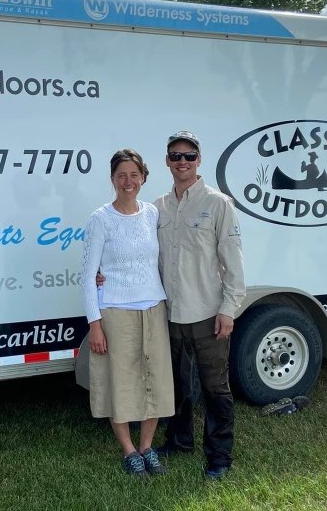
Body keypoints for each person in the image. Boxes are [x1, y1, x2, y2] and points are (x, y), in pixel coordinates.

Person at [154, 130, 246, 480]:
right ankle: (178, 441)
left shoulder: (218, 203)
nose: (182, 162)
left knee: (214, 387)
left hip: (208, 312)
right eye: (175, 155)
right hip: (171, 313)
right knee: (176, 384)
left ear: (199, 160)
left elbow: (233, 261)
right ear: (167, 161)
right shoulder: (158, 207)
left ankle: (219, 456)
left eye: (189, 156)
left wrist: (229, 309)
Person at [81, 148, 174, 477]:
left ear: (144, 177)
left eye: (134, 174)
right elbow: (88, 275)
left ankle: (148, 446)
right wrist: (95, 324)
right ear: (112, 179)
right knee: (120, 383)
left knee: (155, 380)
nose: (128, 181)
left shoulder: (152, 214)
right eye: (121, 175)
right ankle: (129, 450)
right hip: (116, 312)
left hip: (154, 307)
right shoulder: (100, 219)